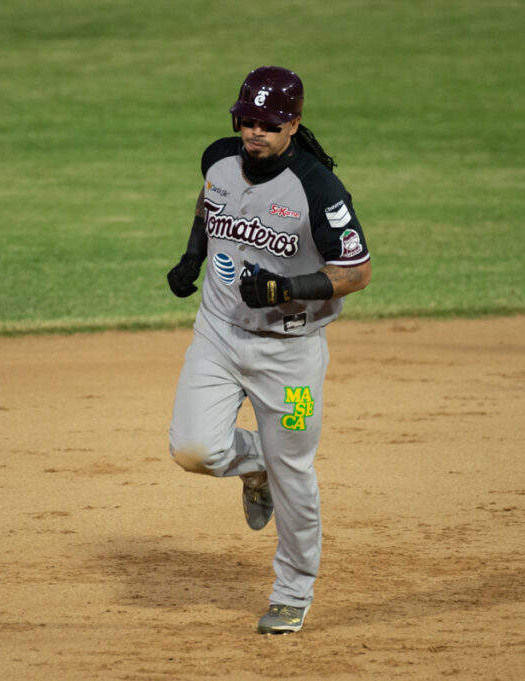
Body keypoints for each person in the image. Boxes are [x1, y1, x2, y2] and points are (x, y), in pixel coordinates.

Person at [165, 66, 371, 635]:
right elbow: (212, 206)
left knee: (296, 472)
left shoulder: (320, 189)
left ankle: (292, 591)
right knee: (193, 450)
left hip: (292, 357)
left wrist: (289, 289)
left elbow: (357, 272)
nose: (254, 132)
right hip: (219, 335)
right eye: (246, 120)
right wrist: (192, 257)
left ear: (293, 124)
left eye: (268, 124)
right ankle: (257, 465)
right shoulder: (219, 159)